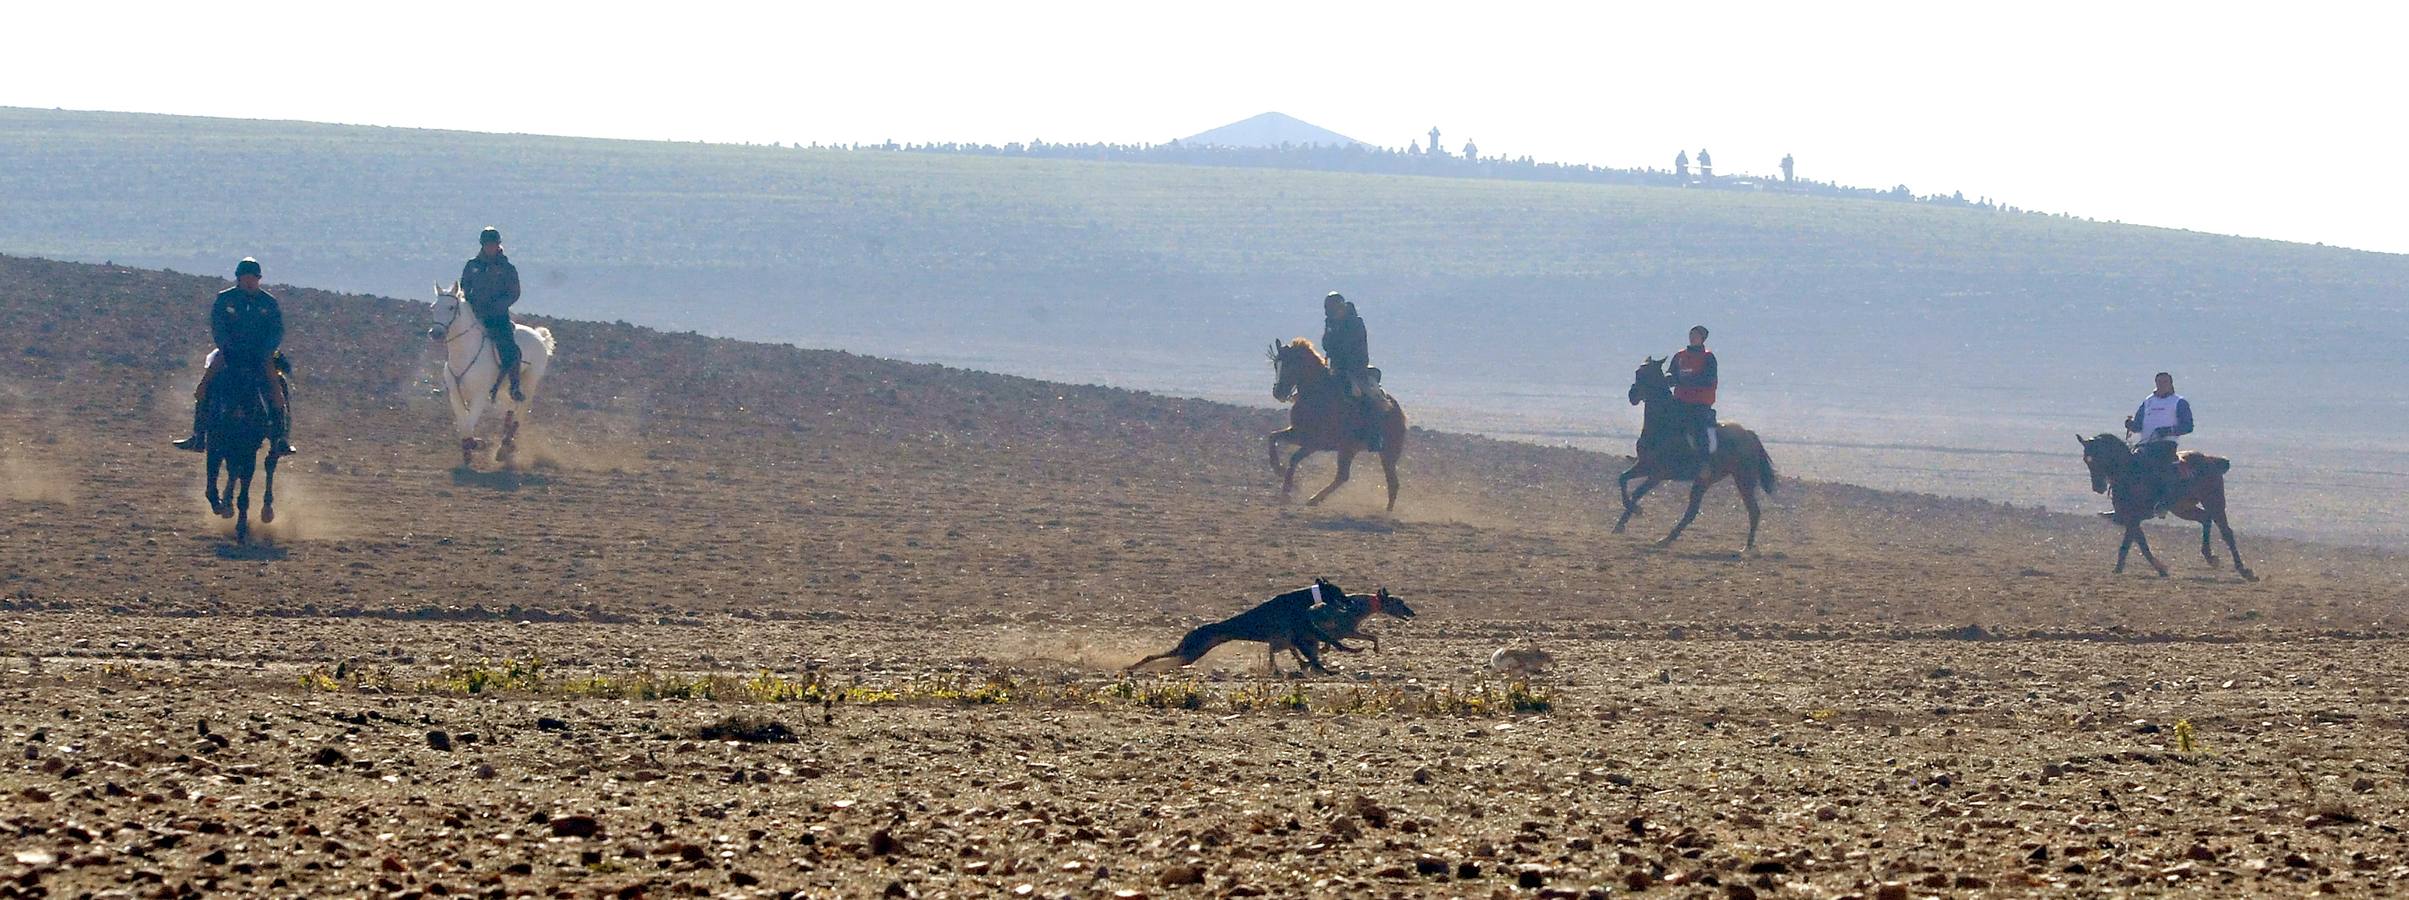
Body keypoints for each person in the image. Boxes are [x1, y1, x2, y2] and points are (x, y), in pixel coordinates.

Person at [172, 257, 296, 457]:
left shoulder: (269, 303)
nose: (249, 281)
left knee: (277, 386)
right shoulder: (225, 299)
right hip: (230, 352)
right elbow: (218, 326)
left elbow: (277, 330)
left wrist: (266, 349)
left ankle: (280, 437)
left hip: (260, 354)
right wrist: (227, 346)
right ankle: (198, 434)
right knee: (205, 385)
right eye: (245, 278)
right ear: (238, 279)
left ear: (258, 279)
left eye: (253, 278)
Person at [460, 226, 525, 400]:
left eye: (493, 244)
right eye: (488, 244)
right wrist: (471, 301)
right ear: (482, 245)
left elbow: (514, 293)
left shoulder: (507, 268)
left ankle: (514, 387)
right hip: (475, 314)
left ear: (498, 245)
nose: (491, 247)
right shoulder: (472, 265)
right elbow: (465, 286)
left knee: (511, 352)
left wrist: (498, 305)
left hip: (497, 317)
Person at [2120, 371, 2194, 514]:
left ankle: (2162, 502)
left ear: (2171, 384)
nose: (2161, 385)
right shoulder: (2148, 401)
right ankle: (2122, 504)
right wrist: (2131, 425)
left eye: (2165, 382)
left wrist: (2169, 430)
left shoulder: (2179, 402)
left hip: (2166, 445)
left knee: (2159, 468)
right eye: (2159, 382)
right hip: (2145, 444)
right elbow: (2139, 426)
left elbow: (2188, 426)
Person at [1320, 291, 1383, 451]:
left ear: (1341, 308)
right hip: (1337, 367)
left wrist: (1336, 345)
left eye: (1333, 309)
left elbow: (1350, 345)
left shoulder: (1355, 323)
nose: (1331, 313)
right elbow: (1327, 344)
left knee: (1366, 397)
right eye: (1328, 310)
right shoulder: (1330, 323)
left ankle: (1374, 436)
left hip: (1356, 368)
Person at [1668, 325, 1718, 476]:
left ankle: (1704, 463)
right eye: (1691, 334)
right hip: (1680, 399)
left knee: (1700, 429)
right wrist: (1669, 378)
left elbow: (1709, 379)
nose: (1692, 337)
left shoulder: (1708, 357)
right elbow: (1671, 372)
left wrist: (1687, 381)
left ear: (1702, 339)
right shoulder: (1679, 355)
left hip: (1699, 402)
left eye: (1696, 335)